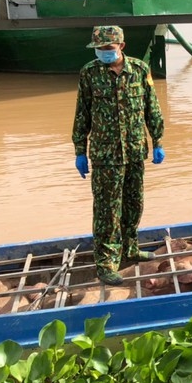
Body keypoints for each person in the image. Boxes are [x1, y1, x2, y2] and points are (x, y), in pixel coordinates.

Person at [72, 25, 166, 286]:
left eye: (108, 49)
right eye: (100, 49)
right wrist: (80, 150)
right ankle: (105, 263)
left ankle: (130, 249)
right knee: (107, 211)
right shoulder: (89, 73)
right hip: (105, 154)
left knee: (134, 203)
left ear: (121, 47)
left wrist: (157, 140)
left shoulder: (139, 70)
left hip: (135, 151)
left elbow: (152, 107)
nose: (104, 53)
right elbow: (82, 114)